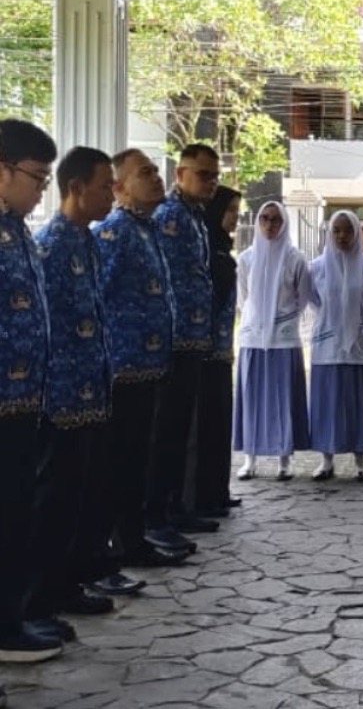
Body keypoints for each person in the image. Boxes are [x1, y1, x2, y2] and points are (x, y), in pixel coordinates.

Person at [27, 147, 117, 635]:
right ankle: (40, 600)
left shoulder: (87, 241)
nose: (112, 194)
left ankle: (70, 585)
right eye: (105, 185)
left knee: (80, 499)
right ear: (78, 187)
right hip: (61, 398)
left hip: (91, 393)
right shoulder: (53, 245)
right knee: (53, 502)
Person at [93, 149, 188, 574]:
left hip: (150, 367)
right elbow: (99, 298)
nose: (155, 178)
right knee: (118, 464)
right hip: (123, 369)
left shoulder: (146, 230)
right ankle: (112, 547)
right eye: (144, 173)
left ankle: (134, 540)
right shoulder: (114, 234)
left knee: (137, 462)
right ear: (119, 187)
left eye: (155, 171)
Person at [0, 119, 63, 664]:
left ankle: (11, 621)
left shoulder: (18, 228)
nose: (43, 187)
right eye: (36, 176)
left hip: (25, 403)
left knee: (17, 516)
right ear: (2, 171)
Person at [147, 143, 220, 551]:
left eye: (215, 175)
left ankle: (175, 507)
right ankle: (155, 514)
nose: (210, 182)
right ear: (180, 173)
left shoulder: (194, 216)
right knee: (165, 433)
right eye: (203, 174)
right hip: (171, 342)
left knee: (180, 431)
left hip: (195, 339)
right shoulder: (169, 216)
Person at [233, 201, 312, 480]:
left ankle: (284, 459)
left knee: (283, 399)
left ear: (284, 223)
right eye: (264, 219)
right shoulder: (246, 258)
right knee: (251, 398)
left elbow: (303, 298)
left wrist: (281, 321)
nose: (269, 225)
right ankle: (250, 459)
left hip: (284, 340)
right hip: (253, 340)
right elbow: (244, 299)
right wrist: (259, 321)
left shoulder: (295, 259)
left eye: (276, 220)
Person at [308, 211, 363, 481]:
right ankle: (326, 460)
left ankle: (361, 462)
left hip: (360, 345)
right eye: (336, 231)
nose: (342, 236)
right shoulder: (317, 267)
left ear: (357, 233)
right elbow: (313, 300)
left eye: (348, 231)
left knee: (359, 403)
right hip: (327, 344)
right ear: (330, 234)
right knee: (328, 402)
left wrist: (354, 319)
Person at [194, 185, 242, 514]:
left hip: (223, 353)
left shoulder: (221, 249)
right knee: (205, 429)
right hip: (204, 354)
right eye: (230, 212)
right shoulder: (208, 251)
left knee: (220, 426)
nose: (235, 220)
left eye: (238, 214)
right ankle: (202, 497)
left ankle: (217, 492)